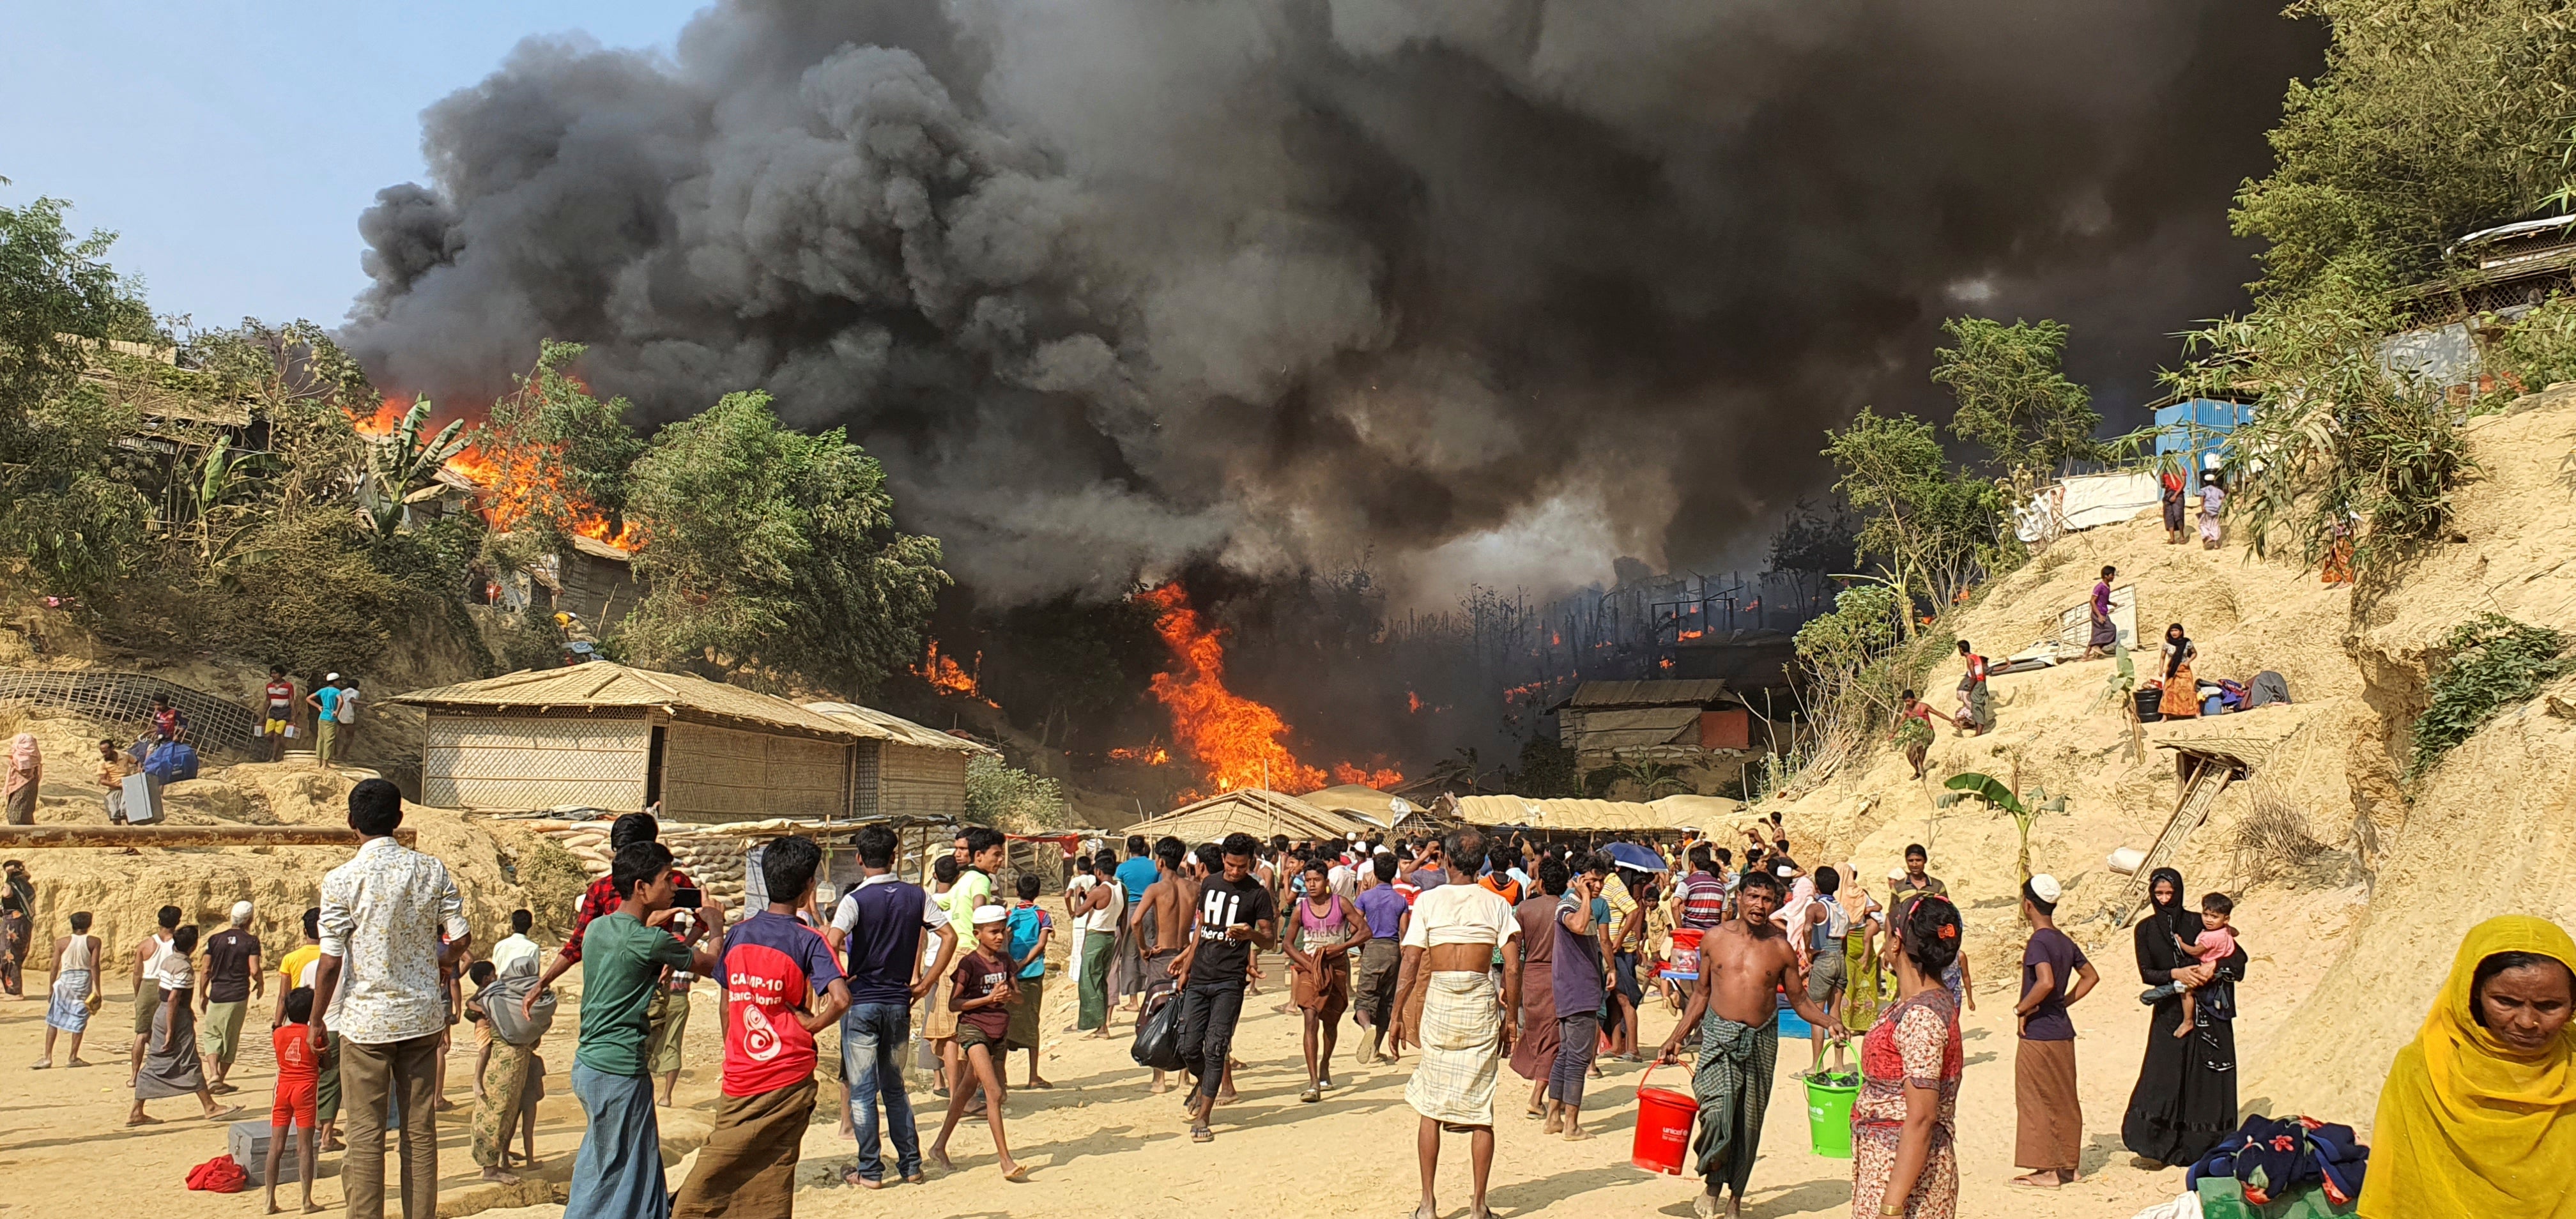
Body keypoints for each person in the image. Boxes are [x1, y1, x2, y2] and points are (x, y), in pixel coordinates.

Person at [312, 778, 471, 1219]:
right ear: (399, 820)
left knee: (365, 1134)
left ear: (351, 824)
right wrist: (439, 960)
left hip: (365, 1023)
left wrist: (315, 1021)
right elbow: (460, 938)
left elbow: (329, 963)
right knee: (419, 1131)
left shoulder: (342, 879)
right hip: (422, 1016)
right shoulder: (431, 869)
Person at [672, 836, 849, 1218]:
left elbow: (726, 1003)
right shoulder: (811, 940)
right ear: (808, 890)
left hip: (741, 1071)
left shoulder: (738, 934)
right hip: (788, 1071)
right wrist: (812, 1027)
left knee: (723, 1156)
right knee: (774, 1166)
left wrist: (732, 1049)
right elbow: (841, 999)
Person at [1655, 868, 1844, 1219]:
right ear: (1738, 898)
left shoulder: (1781, 949)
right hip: (1718, 1039)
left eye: (1767, 899)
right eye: (1753, 897)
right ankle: (1712, 1183)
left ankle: (1734, 1199)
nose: (1759, 905)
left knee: (1748, 1122)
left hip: (1761, 1042)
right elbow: (1700, 995)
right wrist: (1675, 1038)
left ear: (1776, 903)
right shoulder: (1713, 939)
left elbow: (1800, 1000)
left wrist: (1830, 1021)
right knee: (1718, 1112)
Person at [2359, 915, 2576, 1218]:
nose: (2528, 1022)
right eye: (2506, 1001)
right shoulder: (2425, 1067)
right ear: (2472, 993)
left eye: (2550, 1006)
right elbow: (2400, 1187)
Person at [552, 839, 725, 1219]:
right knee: (623, 1171)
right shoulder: (652, 941)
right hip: (620, 1070)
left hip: (590, 1064)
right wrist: (715, 925)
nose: (675, 888)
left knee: (607, 1160)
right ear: (641, 888)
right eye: (667, 880)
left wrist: (649, 922)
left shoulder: (599, 929)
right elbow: (712, 965)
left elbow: (626, 942)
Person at [1388, 827, 1520, 1219]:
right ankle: (1479, 1206)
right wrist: (1511, 1019)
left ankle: (1428, 1204)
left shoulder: (1428, 902)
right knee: (1481, 1109)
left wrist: (1395, 1016)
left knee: (1431, 1106)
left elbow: (1410, 964)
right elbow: (1512, 967)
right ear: (1480, 864)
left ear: (1444, 860)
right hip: (1480, 1000)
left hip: (1441, 1002)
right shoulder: (1496, 905)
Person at [825, 823, 953, 1190]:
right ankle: (911, 1165)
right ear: (894, 857)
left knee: (864, 1091)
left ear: (860, 859)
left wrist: (838, 982)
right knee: (895, 1087)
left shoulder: (855, 900)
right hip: (899, 1002)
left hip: (862, 1003)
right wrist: (926, 983)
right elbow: (948, 935)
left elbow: (830, 942)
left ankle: (870, 1170)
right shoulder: (916, 895)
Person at [2120, 868, 2247, 1167]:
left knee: (2207, 1079)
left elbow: (2238, 960)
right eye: (2159, 894)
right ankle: (2155, 1145)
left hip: (2209, 1013)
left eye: (2170, 893)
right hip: (2169, 1014)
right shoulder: (2145, 929)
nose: (2165, 900)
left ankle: (2206, 1146)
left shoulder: (2199, 922)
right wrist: (2177, 974)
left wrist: (2210, 969)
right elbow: (2147, 973)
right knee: (2163, 1076)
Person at [1850, 894, 1966, 1219]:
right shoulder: (1928, 1001)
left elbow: (1922, 1117)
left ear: (1898, 942)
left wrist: (1891, 1206)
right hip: (1894, 1162)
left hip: (1903, 1173)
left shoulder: (1921, 1016)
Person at [1170, 832, 1276, 1142]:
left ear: (1251, 863)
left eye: (1241, 867)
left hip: (1229, 981)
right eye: (1230, 865)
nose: (1234, 872)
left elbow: (1270, 940)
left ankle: (1204, 1117)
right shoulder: (1210, 883)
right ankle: (1205, 1084)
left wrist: (1251, 935)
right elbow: (1201, 928)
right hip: (1199, 977)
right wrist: (1186, 964)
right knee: (1189, 1045)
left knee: (1216, 1047)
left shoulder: (1258, 895)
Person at [925, 906, 1029, 1180]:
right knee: (993, 1093)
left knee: (965, 1089)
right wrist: (987, 999)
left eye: (1002, 931)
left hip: (998, 1032)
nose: (999, 937)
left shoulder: (1006, 962)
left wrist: (1008, 996)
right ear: (977, 934)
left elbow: (1019, 997)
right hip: (974, 1031)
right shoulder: (969, 964)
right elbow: (954, 1004)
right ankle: (1006, 1161)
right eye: (993, 932)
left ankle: (938, 1146)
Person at [2011, 875, 2097, 1190]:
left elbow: (2045, 981)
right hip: (2062, 1031)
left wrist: (2023, 1008)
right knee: (2064, 1097)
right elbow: (2090, 977)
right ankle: (2068, 1167)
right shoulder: (2064, 940)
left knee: (2036, 1099)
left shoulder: (2039, 942)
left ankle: (2046, 1171)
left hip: (2040, 1033)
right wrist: (2065, 1002)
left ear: (2028, 905)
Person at [130, 923, 240, 1124]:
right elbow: (174, 998)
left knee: (156, 1060)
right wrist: (171, 1030)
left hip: (164, 1014)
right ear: (194, 946)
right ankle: (210, 1106)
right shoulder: (184, 967)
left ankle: (137, 1110)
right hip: (174, 1017)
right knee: (189, 1061)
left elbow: (166, 995)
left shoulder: (169, 961)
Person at [1284, 855, 1363, 1103]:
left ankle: (1325, 1064)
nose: (1311, 885)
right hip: (1310, 967)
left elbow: (1365, 931)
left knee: (1331, 1023)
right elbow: (1287, 943)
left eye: (1316, 880)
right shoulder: (1301, 908)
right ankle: (1313, 1082)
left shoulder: (1341, 904)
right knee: (1310, 1018)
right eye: (1307, 880)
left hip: (1336, 966)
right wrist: (1306, 962)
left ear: (1326, 881)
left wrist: (1343, 947)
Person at [1547, 855, 1607, 1140]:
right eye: (1592, 880)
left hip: (1576, 989)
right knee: (1578, 1059)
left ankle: (1553, 1118)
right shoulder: (1570, 904)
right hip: (1577, 991)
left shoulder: (1581, 904)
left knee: (1567, 1054)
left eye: (1600, 881)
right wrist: (1584, 895)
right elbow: (1579, 926)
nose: (1597, 886)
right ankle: (1571, 1125)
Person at [1131, 836, 1191, 1092]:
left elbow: (1135, 921)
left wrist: (1144, 948)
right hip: (1186, 954)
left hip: (1162, 956)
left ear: (1161, 861)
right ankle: (1184, 1077)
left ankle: (1159, 1080)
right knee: (1186, 1014)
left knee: (1158, 1012)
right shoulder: (1194, 888)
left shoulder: (1155, 890)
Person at [1509, 858, 1565, 1122]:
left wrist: (1508, 984)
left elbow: (1514, 953)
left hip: (1531, 977)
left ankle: (1552, 1095)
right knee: (1552, 1039)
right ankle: (1537, 1098)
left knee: (1537, 1033)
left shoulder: (1524, 909)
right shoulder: (1567, 909)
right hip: (1558, 978)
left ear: (1540, 882)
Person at [2150, 892, 2237, 1038]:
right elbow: (2236, 932)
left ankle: (2188, 1021)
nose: (2208, 920)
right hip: (2218, 967)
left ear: (2226, 918)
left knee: (2187, 990)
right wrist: (2228, 931)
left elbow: (2195, 951)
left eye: (2214, 917)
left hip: (2208, 968)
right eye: (2206, 915)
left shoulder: (2211, 937)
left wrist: (2180, 942)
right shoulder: (2224, 929)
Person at [268, 986, 323, 1215]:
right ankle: (306, 1200)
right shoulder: (314, 1035)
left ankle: (269, 1200)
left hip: (283, 1089)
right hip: (306, 1089)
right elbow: (325, 1063)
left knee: (276, 1146)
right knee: (305, 1147)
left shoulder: (278, 1034)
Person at [1353, 851, 1411, 1066]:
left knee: (1364, 998)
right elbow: (1404, 933)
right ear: (1394, 872)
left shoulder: (1365, 898)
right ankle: (1376, 1049)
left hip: (1372, 948)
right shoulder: (1400, 900)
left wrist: (1361, 946)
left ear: (1375, 872)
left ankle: (1367, 1029)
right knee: (1387, 1002)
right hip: (1393, 951)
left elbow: (1355, 926)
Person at [200, 899, 264, 1092]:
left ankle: (213, 1074)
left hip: (217, 993)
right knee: (231, 1036)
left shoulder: (215, 939)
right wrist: (260, 983)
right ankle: (221, 1076)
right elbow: (254, 969)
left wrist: (202, 994)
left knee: (212, 1035)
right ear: (249, 919)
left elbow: (205, 970)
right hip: (237, 994)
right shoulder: (251, 941)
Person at [1004, 873, 1054, 1088]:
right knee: (1033, 1021)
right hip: (1032, 974)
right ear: (1038, 893)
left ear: (1017, 892)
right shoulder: (1043, 915)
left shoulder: (1009, 915)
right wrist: (1024, 963)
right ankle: (1033, 1076)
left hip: (1009, 975)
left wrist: (1011, 964)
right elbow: (1041, 944)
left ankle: (1002, 1077)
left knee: (1005, 1024)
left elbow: (1003, 941)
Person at [1802, 866, 1853, 1075]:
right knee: (1835, 1012)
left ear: (1817, 886)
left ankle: (1817, 1065)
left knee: (1817, 1014)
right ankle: (1839, 1064)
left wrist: (1808, 950)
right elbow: (1846, 940)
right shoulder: (1842, 910)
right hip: (1840, 959)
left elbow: (1807, 929)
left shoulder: (1815, 908)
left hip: (1823, 958)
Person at [36, 909, 101, 1068]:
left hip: (64, 982)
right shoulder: (94, 941)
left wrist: (51, 988)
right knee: (80, 1018)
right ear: (89, 925)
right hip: (83, 981)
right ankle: (73, 1057)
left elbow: (54, 967)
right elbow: (94, 965)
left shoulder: (61, 942)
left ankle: (47, 1057)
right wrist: (97, 988)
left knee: (54, 1019)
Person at [129, 903, 181, 1086]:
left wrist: (138, 995)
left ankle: (134, 1076)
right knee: (168, 1032)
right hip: (168, 985)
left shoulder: (146, 945)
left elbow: (137, 973)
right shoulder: (178, 944)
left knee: (142, 1034)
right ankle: (165, 1072)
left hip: (147, 985)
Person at [1073, 848, 1123, 1038]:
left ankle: (1095, 1023)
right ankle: (1102, 1026)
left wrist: (1080, 896)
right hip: (1111, 935)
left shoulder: (1100, 890)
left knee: (1088, 982)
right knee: (1101, 980)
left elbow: (1079, 912)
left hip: (1096, 936)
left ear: (1099, 872)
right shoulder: (1120, 888)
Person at [1112, 835, 1160, 1011]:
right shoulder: (1155, 865)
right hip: (1152, 910)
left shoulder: (1122, 868)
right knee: (1151, 951)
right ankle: (1152, 994)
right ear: (1145, 847)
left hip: (1131, 910)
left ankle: (1133, 1001)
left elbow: (1118, 892)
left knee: (1130, 953)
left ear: (1129, 849)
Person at [1890, 691, 1956, 781]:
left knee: (1921, 748)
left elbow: (1938, 713)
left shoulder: (1923, 706)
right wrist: (1893, 733)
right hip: (1916, 734)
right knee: (1909, 754)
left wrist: (1951, 720)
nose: (1907, 703)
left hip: (1927, 733)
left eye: (1909, 701)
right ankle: (1917, 771)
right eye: (1905, 702)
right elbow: (1901, 722)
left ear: (1914, 699)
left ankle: (1920, 766)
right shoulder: (1907, 710)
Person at [2157, 623, 2200, 720]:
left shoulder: (2187, 643)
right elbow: (2162, 658)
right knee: (2169, 692)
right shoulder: (2167, 644)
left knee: (2188, 691)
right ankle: (2165, 716)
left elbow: (2194, 653)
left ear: (2181, 632)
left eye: (2176, 630)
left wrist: (2188, 662)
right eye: (2172, 631)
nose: (2174, 633)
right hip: (2172, 670)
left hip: (2184, 670)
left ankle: (2196, 714)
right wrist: (2161, 669)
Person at [1952, 640, 1992, 736]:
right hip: (1981, 683)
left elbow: (1974, 676)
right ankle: (1977, 730)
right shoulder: (1976, 657)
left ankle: (1978, 733)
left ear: (1961, 650)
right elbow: (1982, 672)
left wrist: (1970, 689)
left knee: (1976, 707)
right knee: (1977, 706)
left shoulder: (1969, 659)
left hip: (1977, 684)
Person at [259, 666, 298, 762]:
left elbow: (292, 700)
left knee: (277, 735)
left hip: (284, 712)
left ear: (281, 674)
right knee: (268, 735)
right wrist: (263, 715)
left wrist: (293, 716)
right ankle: (280, 746)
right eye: (272, 673)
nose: (273, 675)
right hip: (273, 712)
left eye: (275, 673)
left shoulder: (288, 686)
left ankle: (273, 758)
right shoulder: (269, 686)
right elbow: (268, 701)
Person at [490, 909, 541, 975]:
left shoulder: (499, 945)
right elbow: (534, 974)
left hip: (500, 984)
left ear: (513, 926)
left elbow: (495, 971)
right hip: (521, 985)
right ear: (530, 926)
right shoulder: (533, 948)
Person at [2083, 566, 2119, 659]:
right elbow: (2092, 601)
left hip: (2103, 612)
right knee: (2112, 629)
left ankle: (2086, 655)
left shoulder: (2107, 587)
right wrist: (2099, 616)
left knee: (2096, 634)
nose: (2113, 577)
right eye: (2112, 575)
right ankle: (2097, 647)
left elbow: (2103, 600)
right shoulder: (2099, 587)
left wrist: (2112, 603)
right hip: (2098, 613)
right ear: (2106, 576)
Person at [3, 732, 38, 825]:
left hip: (26, 785)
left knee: (18, 816)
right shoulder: (23, 754)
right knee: (15, 814)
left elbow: (25, 769)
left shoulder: (26, 755)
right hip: (21, 785)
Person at [307, 679, 342, 763]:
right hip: (331, 718)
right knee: (329, 740)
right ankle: (325, 763)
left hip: (322, 717)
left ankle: (319, 761)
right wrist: (337, 712)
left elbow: (308, 698)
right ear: (335, 682)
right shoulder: (336, 691)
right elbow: (341, 701)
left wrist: (318, 707)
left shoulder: (323, 690)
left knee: (321, 739)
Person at [2161, 465, 2188, 545]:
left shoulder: (2180, 469)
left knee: (2178, 514)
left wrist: (2175, 495)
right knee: (2169, 516)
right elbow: (2163, 483)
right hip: (2168, 494)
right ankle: (2172, 538)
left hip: (2178, 494)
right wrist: (2164, 485)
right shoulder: (2164, 470)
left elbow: (2183, 483)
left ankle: (2182, 536)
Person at [2198, 471, 2225, 549]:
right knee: (2215, 525)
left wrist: (2202, 507)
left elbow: (2202, 499)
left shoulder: (2203, 490)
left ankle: (2208, 537)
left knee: (2202, 524)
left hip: (2208, 509)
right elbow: (2223, 500)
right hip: (2216, 510)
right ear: (2214, 481)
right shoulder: (2219, 491)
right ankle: (2216, 544)